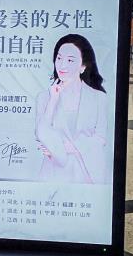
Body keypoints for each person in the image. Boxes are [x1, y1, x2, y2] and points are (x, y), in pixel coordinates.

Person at [35, 34, 110, 184]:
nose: (62, 65)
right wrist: (53, 100)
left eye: (70, 60)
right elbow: (41, 135)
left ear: (83, 66)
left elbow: (101, 139)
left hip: (86, 174)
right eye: (59, 58)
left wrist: (63, 147)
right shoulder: (44, 98)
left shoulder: (99, 98)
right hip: (53, 174)